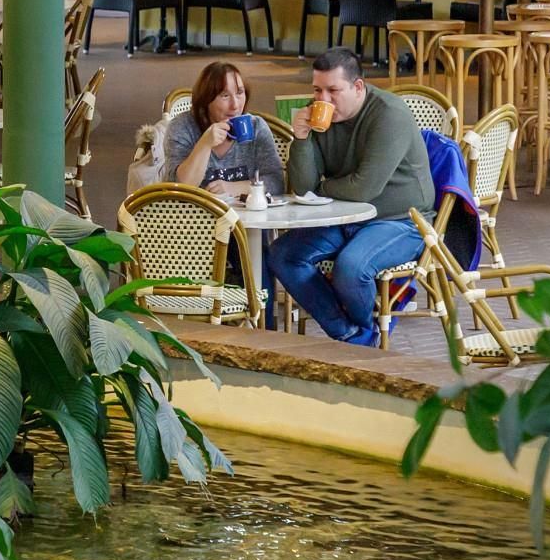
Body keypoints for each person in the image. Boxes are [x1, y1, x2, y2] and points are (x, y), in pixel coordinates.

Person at [266, 47, 435, 345]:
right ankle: (352, 334)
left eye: (333, 91)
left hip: (401, 220)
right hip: (342, 216)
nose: (323, 100)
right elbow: (303, 188)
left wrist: (323, 189)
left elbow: (363, 189)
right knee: (282, 255)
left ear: (358, 87)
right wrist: (301, 139)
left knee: (352, 268)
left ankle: (361, 340)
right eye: (317, 90)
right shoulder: (318, 114)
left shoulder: (389, 114)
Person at [161, 61, 286, 197]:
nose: (235, 105)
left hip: (246, 211)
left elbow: (276, 183)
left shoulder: (256, 127)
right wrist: (205, 144)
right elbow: (179, 189)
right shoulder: (182, 127)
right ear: (206, 100)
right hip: (194, 210)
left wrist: (236, 188)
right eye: (225, 96)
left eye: (239, 93)